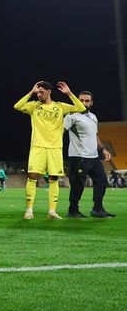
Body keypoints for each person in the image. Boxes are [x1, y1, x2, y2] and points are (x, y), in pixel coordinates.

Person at [13, 81, 85, 219]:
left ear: (49, 92)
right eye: (38, 92)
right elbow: (17, 106)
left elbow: (81, 108)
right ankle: (29, 210)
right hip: (37, 147)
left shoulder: (60, 107)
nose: (39, 94)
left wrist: (69, 93)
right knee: (32, 176)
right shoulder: (34, 106)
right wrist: (31, 92)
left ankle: (52, 211)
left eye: (42, 92)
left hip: (55, 148)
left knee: (54, 178)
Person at [62, 90, 115, 218]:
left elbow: (94, 136)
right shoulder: (71, 116)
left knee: (102, 181)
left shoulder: (93, 117)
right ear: (77, 101)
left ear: (91, 103)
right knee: (78, 185)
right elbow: (60, 132)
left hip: (94, 157)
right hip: (79, 157)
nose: (84, 103)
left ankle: (97, 209)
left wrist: (103, 149)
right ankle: (73, 210)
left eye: (87, 101)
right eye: (81, 100)